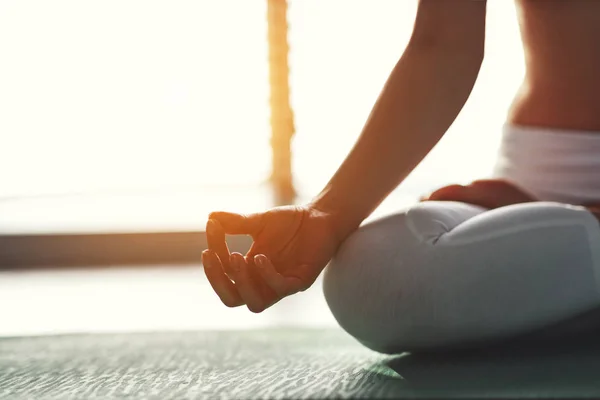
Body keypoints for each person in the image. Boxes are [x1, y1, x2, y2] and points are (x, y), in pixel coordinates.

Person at [201, 0, 600, 353]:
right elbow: (442, 46)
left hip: (559, 225)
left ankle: (559, 293)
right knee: (370, 276)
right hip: (532, 184)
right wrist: (329, 213)